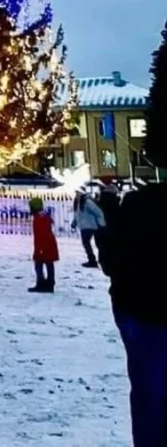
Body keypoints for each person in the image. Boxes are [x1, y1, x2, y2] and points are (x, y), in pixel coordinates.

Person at [101, 178, 167, 446]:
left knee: (150, 396)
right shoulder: (140, 204)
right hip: (142, 310)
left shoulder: (139, 204)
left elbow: (112, 258)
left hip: (138, 309)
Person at [28, 197, 58, 293]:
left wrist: (39, 248)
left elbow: (40, 234)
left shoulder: (38, 218)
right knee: (49, 263)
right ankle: (50, 283)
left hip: (43, 244)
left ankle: (41, 283)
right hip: (49, 243)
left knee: (39, 263)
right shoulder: (44, 215)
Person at [72, 190, 106, 268]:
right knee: (87, 244)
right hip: (85, 226)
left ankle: (93, 260)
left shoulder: (87, 202)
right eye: (76, 193)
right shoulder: (78, 202)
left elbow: (98, 212)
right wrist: (74, 223)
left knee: (88, 244)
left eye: (78, 193)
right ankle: (93, 260)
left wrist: (101, 224)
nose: (77, 194)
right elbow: (77, 214)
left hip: (90, 226)